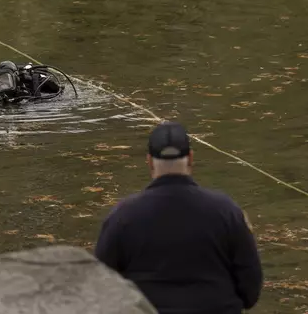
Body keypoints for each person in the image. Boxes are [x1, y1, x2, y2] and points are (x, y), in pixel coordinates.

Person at [94, 121, 263, 314]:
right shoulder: (227, 211)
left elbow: (100, 289)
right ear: (190, 158)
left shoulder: (122, 216)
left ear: (149, 161)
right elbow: (250, 291)